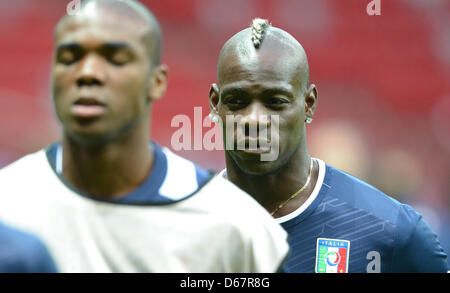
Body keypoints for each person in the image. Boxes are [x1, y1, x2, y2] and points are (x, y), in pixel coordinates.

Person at [0, 2, 289, 273]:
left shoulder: (236, 226)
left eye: (115, 59)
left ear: (157, 81)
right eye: (69, 58)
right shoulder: (7, 201)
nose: (87, 73)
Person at [208, 18, 448, 273]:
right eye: (236, 101)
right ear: (215, 103)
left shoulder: (390, 230)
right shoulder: (175, 222)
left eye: (275, 101)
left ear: (309, 103)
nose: (254, 119)